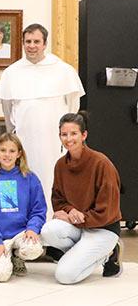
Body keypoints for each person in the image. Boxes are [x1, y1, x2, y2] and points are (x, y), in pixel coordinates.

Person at [0, 23, 85, 208]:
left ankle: (54, 224)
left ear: (45, 43)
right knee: (23, 180)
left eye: (36, 41)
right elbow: (7, 110)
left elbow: (73, 105)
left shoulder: (63, 70)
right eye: (28, 41)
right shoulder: (12, 72)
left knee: (54, 180)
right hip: (24, 140)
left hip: (54, 141)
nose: (32, 45)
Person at [40, 112, 123, 284]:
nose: (68, 139)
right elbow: (58, 200)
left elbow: (107, 211)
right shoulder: (61, 165)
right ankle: (92, 254)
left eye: (73, 133)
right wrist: (70, 212)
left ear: (84, 135)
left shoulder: (102, 164)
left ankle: (107, 253)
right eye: (64, 134)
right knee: (48, 231)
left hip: (103, 228)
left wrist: (77, 218)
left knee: (64, 275)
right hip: (79, 226)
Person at [0, 133, 46, 282]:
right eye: (3, 150)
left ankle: (17, 257)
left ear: (19, 154)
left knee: (34, 249)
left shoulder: (30, 178)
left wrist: (33, 228)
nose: (7, 155)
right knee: (1, 276)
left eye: (12, 151)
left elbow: (38, 209)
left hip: (22, 233)